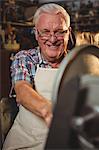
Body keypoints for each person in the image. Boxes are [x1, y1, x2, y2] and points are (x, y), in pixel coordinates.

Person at [3, 3, 72, 150]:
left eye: (59, 32)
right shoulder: (25, 58)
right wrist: (48, 112)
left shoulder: (78, 62)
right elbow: (22, 90)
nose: (52, 39)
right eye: (45, 32)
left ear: (69, 33)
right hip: (25, 141)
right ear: (36, 33)